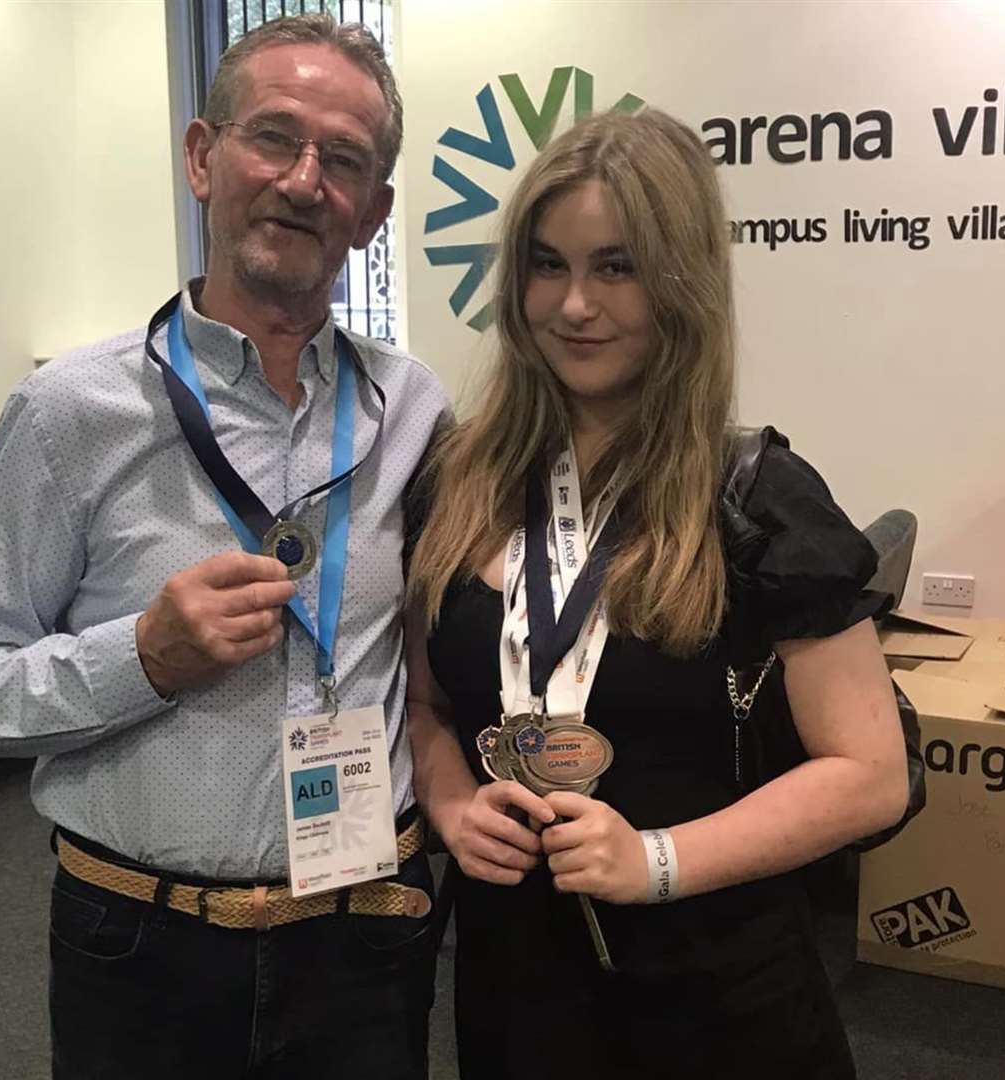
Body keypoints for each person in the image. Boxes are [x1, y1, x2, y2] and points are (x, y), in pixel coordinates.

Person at [0, 14, 449, 1080]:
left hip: (364, 934)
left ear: (374, 211)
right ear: (203, 156)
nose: (303, 181)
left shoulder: (414, 406)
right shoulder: (70, 410)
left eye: (341, 160)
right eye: (274, 139)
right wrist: (141, 655)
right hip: (142, 946)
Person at [404, 108, 910, 1079]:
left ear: (679, 280)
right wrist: (452, 799)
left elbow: (869, 774)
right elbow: (426, 705)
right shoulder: (455, 479)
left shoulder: (757, 498)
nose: (575, 305)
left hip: (713, 981)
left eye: (617, 267)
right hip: (515, 972)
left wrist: (655, 860)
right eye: (547, 264)